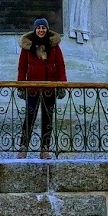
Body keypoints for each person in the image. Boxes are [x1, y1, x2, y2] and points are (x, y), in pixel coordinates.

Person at [16, 17, 67, 159]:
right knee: (29, 118)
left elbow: (60, 65)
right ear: (35, 29)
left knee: (48, 119)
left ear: (47, 29)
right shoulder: (28, 47)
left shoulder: (54, 46)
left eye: (43, 27)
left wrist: (62, 84)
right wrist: (21, 85)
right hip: (32, 87)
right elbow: (22, 67)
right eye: (39, 28)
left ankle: (45, 148)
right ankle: (23, 147)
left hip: (49, 88)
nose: (41, 30)